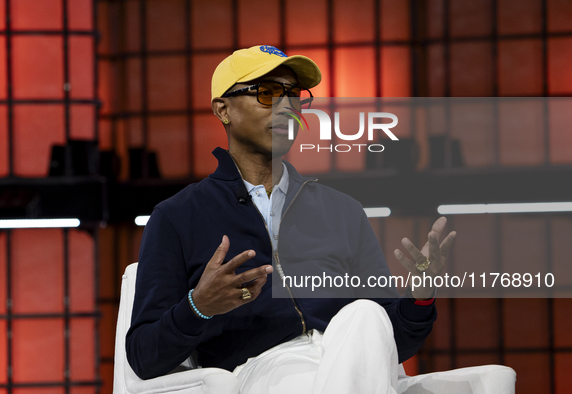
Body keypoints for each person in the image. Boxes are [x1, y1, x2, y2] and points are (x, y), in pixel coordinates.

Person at [126, 45, 456, 393]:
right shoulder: (178, 216)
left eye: (294, 95)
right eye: (267, 94)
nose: (287, 107)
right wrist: (199, 307)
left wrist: (420, 296)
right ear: (223, 110)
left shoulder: (343, 210)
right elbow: (144, 357)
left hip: (352, 358)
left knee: (366, 314)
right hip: (264, 370)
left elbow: (395, 343)